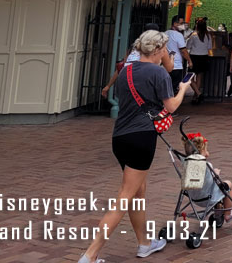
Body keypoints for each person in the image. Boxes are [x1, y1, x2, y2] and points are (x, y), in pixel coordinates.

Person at [78, 30, 190, 263]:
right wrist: (183, 90)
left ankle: (144, 244)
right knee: (124, 196)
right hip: (142, 137)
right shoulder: (158, 73)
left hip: (120, 137)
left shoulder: (124, 72)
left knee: (137, 193)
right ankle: (90, 254)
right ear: (158, 50)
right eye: (165, 51)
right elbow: (170, 107)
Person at [184, 132, 232, 224]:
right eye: (205, 150)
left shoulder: (186, 165)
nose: (207, 153)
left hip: (193, 197)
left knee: (215, 188)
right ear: (201, 153)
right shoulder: (206, 165)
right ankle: (228, 213)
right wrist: (216, 172)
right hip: (208, 198)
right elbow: (214, 179)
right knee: (227, 185)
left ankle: (218, 213)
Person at [187, 18, 212, 104]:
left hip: (194, 57)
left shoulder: (193, 35)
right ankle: (196, 96)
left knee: (189, 78)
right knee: (199, 78)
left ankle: (198, 94)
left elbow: (188, 46)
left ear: (197, 26)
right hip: (204, 57)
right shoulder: (208, 35)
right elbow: (209, 47)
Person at [166, 14, 191, 94]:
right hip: (176, 65)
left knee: (166, 86)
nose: (183, 25)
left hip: (165, 64)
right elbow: (183, 50)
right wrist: (190, 61)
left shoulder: (165, 33)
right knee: (173, 87)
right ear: (175, 24)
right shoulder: (178, 35)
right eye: (181, 23)